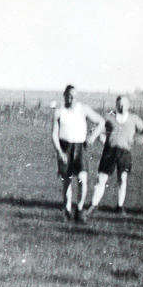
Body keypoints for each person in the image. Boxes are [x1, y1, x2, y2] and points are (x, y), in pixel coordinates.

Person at [51, 85, 108, 223]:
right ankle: (68, 211)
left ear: (77, 97)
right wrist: (59, 152)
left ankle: (80, 209)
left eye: (74, 96)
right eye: (69, 96)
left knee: (83, 179)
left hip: (80, 147)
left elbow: (101, 122)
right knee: (67, 182)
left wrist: (92, 137)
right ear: (64, 95)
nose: (71, 99)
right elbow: (54, 134)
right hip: (65, 147)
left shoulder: (83, 109)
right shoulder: (59, 112)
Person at [85, 95, 143, 218]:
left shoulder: (134, 119)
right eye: (119, 104)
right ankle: (94, 205)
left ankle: (120, 206)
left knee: (122, 179)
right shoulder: (109, 117)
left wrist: (138, 140)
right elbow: (98, 130)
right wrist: (102, 139)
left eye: (124, 104)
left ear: (128, 105)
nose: (121, 106)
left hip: (125, 152)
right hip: (110, 151)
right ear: (116, 105)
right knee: (101, 179)